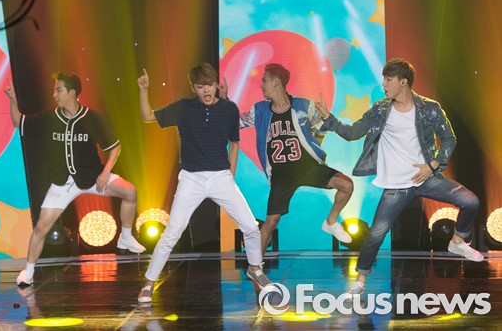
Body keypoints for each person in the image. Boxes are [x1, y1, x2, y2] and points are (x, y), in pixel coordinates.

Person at [315, 58, 484, 295]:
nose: (384, 84)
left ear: (403, 82)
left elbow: (449, 138)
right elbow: (353, 133)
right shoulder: (380, 110)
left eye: (388, 79)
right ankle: (361, 280)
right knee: (376, 234)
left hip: (426, 177)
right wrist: (329, 119)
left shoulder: (429, 108)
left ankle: (457, 242)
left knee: (471, 201)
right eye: (383, 79)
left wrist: (433, 165)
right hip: (396, 186)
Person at [136, 64, 270, 304]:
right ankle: (148, 283)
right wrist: (144, 90)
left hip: (221, 177)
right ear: (193, 88)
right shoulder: (184, 108)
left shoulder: (229, 109)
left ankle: (255, 269)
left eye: (210, 85)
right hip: (191, 178)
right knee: (172, 232)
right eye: (200, 87)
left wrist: (229, 175)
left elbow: (234, 143)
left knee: (251, 226)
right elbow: (147, 116)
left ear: (216, 84)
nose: (206, 91)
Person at [5, 72, 146, 286]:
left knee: (130, 191)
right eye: (54, 90)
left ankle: (125, 237)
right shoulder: (49, 118)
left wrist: (106, 171)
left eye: (58, 90)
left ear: (72, 93)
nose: (54, 94)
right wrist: (13, 100)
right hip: (62, 183)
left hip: (92, 177)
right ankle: (28, 272)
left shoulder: (92, 118)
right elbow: (18, 122)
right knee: (41, 228)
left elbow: (115, 147)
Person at [222, 63, 354, 253]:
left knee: (347, 185)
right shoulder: (260, 110)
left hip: (307, 168)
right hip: (281, 176)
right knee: (271, 221)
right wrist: (225, 101)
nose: (261, 85)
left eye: (264, 81)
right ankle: (255, 264)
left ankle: (331, 222)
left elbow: (321, 129)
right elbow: (235, 123)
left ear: (276, 82)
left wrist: (315, 150)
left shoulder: (304, 105)